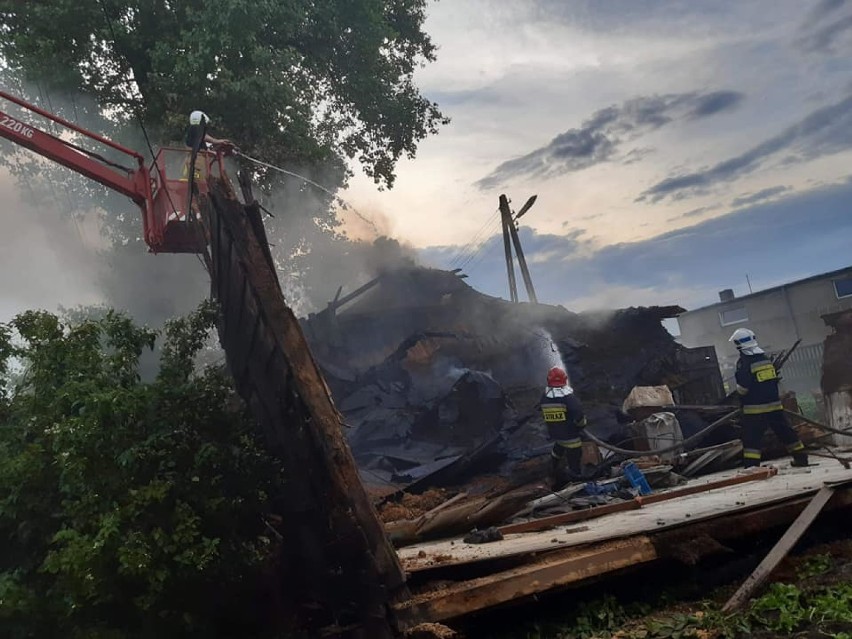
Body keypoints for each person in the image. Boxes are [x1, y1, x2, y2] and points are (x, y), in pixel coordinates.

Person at [729, 328, 808, 468]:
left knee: (752, 440)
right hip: (774, 405)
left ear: (738, 344)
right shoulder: (765, 359)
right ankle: (801, 459)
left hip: (755, 410)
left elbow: (743, 387)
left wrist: (739, 397)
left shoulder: (745, 362)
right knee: (786, 432)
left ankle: (752, 467)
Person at [540, 366, 587, 487]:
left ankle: (553, 472)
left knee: (557, 452)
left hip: (556, 436)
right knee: (574, 460)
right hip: (571, 438)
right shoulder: (569, 398)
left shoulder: (545, 398)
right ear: (564, 380)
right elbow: (579, 416)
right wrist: (581, 425)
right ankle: (576, 483)